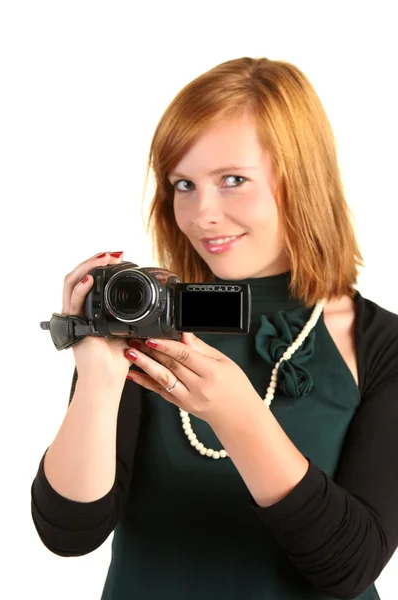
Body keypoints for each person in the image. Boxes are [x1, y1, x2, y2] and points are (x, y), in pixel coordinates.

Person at [31, 56, 398, 600]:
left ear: (301, 180)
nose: (201, 213)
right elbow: (70, 533)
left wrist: (240, 417)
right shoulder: (143, 322)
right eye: (183, 184)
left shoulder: (380, 344)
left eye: (232, 181)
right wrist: (99, 379)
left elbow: (352, 565)